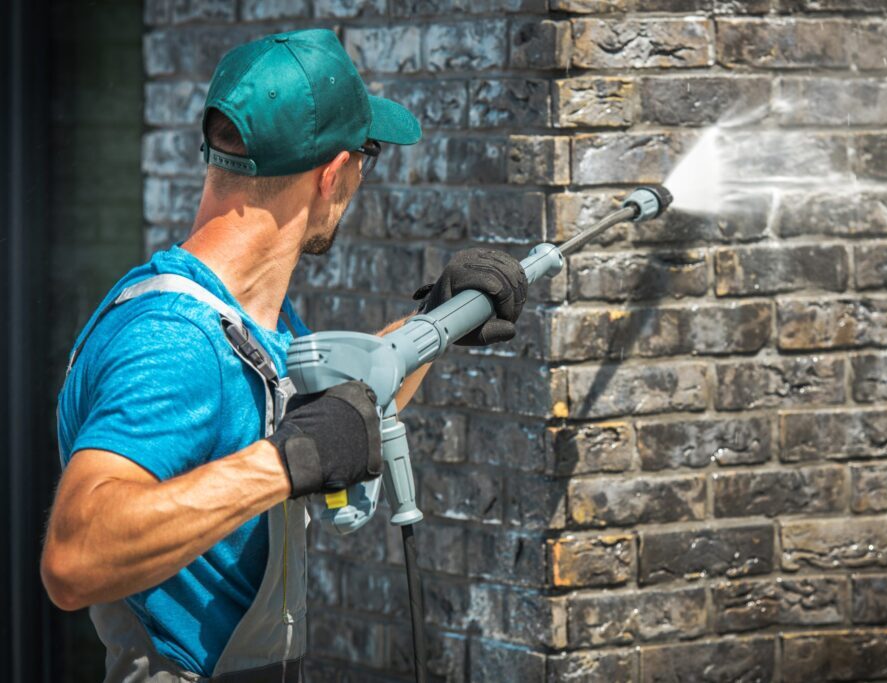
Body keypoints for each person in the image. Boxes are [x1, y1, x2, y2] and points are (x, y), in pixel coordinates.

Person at [41, 28, 527, 682]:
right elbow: (76, 554)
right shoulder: (176, 340)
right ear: (331, 175)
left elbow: (330, 414)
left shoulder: (248, 318)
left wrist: (435, 321)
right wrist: (287, 462)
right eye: (367, 154)